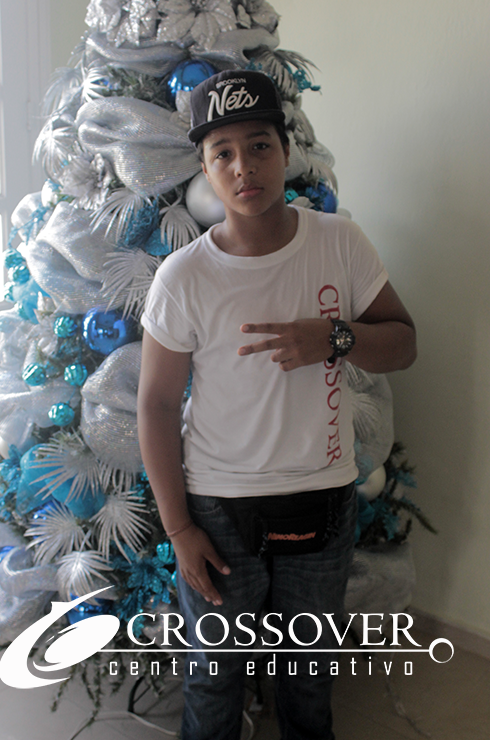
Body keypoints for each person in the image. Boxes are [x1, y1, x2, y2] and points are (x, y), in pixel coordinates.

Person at [137, 69, 417, 740]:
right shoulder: (184, 277)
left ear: (285, 151)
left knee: (309, 675)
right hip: (218, 508)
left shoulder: (339, 243)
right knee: (213, 677)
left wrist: (336, 337)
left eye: (259, 145)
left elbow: (403, 343)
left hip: (322, 498)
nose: (244, 167)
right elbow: (155, 406)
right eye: (223, 153)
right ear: (206, 170)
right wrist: (179, 530)